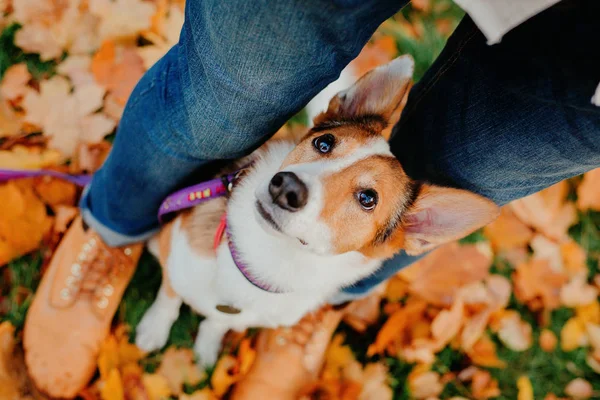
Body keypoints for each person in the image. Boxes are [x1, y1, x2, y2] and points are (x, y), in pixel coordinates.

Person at [23, 0, 600, 397]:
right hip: (207, 237)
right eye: (324, 145)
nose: (305, 182)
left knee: (477, 157)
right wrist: (168, 303)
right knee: (231, 83)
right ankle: (114, 227)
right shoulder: (267, 187)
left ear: (407, 232)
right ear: (325, 123)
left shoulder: (414, 222)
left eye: (367, 200)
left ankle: (275, 320)